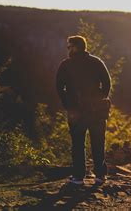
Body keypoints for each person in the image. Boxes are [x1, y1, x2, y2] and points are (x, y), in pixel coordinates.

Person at [56, 35, 111, 186]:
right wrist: (100, 98)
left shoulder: (66, 65)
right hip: (96, 111)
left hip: (77, 111)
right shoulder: (96, 62)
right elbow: (107, 83)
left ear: (78, 47)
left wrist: (68, 104)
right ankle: (100, 176)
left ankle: (79, 177)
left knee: (78, 144)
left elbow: (59, 87)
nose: (68, 49)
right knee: (98, 143)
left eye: (70, 46)